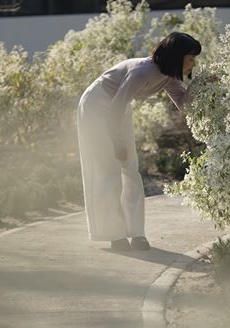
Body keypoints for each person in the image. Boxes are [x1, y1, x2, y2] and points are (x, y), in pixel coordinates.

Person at [76, 32, 203, 251]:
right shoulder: (142, 72)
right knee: (109, 169)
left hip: (119, 107)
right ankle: (114, 235)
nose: (194, 63)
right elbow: (115, 107)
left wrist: (198, 86)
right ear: (176, 56)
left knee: (131, 170)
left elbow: (183, 105)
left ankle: (137, 234)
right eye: (190, 58)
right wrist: (117, 143)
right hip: (97, 105)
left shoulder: (168, 76)